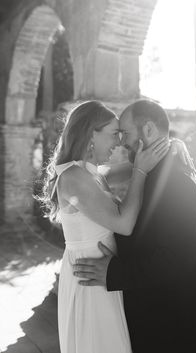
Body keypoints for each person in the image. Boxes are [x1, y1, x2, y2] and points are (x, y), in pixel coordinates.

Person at [73, 99, 196, 353]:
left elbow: (174, 259)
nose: (121, 142)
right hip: (159, 316)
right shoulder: (156, 172)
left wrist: (113, 273)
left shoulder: (176, 182)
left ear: (148, 130)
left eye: (125, 133)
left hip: (173, 325)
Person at [39, 100, 170, 353]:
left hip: (102, 275)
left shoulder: (94, 174)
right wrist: (141, 172)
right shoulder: (74, 177)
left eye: (122, 135)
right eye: (114, 134)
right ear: (91, 134)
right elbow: (124, 224)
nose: (119, 142)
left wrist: (172, 147)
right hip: (90, 281)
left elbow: (136, 165)